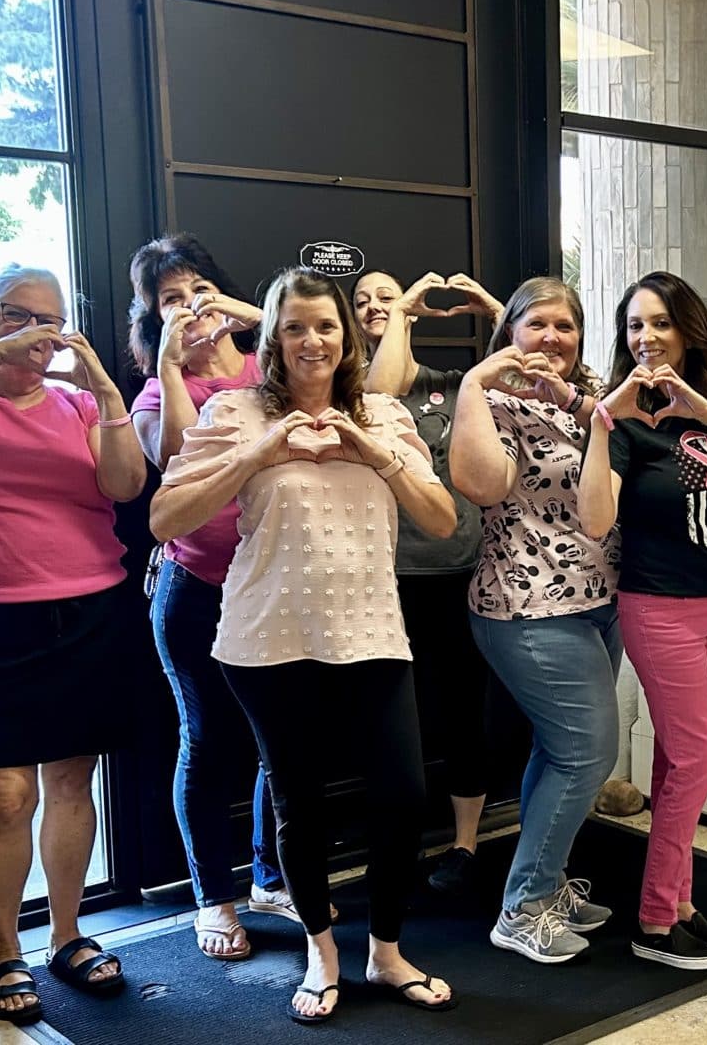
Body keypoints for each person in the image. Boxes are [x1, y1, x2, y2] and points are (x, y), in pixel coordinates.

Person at [150, 267, 458, 1024]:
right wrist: (257, 457)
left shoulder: (383, 414)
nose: (312, 340)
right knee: (300, 804)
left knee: (401, 797)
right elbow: (164, 518)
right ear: (274, 338)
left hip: (372, 630)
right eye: (295, 327)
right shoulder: (233, 410)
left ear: (346, 336)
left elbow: (443, 519)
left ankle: (385, 953)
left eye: (325, 326)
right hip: (268, 635)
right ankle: (322, 953)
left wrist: (367, 450)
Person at [0, 265, 145, 1024]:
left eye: (45, 323)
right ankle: (3, 951)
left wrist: (109, 394)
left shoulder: (80, 404)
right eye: (15, 317)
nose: (32, 336)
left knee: (72, 784)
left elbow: (123, 486)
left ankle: (69, 935)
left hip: (89, 614)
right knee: (8, 795)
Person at [578, 271, 707, 970]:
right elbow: (597, 518)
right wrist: (605, 419)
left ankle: (683, 903)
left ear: (690, 331)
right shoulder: (627, 421)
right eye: (634, 325)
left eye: (659, 323)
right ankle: (657, 921)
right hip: (657, 606)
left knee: (673, 761)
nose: (646, 337)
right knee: (698, 758)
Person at [127, 233, 312, 961]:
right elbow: (174, 462)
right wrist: (174, 366)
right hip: (197, 590)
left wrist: (240, 312)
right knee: (209, 744)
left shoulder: (268, 365)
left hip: (278, 583)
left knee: (283, 742)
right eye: (169, 299)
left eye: (196, 290)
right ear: (152, 317)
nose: (188, 308)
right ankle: (214, 898)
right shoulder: (154, 390)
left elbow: (319, 355)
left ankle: (272, 877)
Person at [449, 277, 621, 965]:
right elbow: (485, 485)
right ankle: (521, 907)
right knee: (587, 754)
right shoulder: (488, 403)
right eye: (536, 324)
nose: (552, 338)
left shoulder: (590, 398)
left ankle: (546, 888)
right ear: (511, 332)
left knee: (557, 753)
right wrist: (474, 384)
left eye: (566, 326)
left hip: (598, 600)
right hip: (528, 607)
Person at [357, 266, 505, 897]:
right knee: (395, 721)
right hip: (389, 578)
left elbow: (528, 358)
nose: (374, 308)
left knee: (462, 713)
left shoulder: (458, 382)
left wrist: (493, 305)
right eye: (362, 302)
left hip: (464, 574)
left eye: (384, 298)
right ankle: (398, 845)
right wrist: (406, 310)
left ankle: (465, 844)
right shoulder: (355, 387)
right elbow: (381, 394)